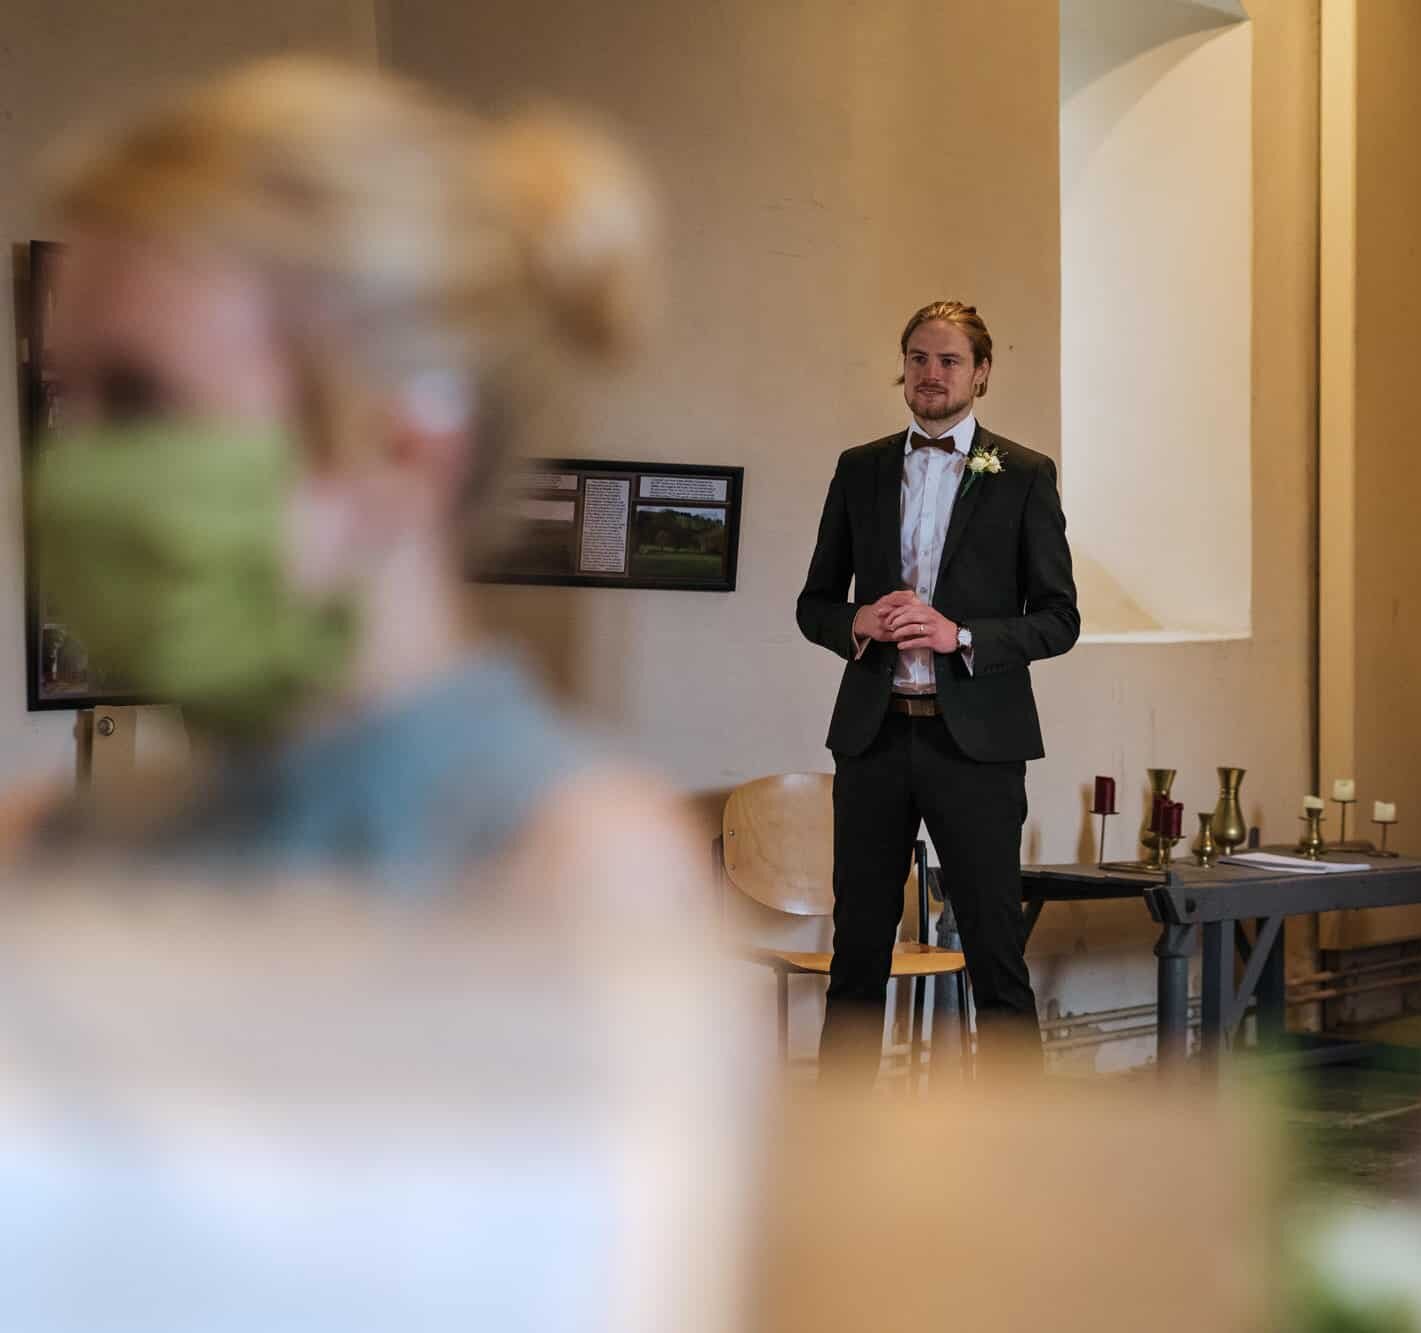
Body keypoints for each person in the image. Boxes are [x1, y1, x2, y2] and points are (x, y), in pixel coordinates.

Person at [10, 57, 696, 893]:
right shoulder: (53, 850)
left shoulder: (575, 871)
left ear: (400, 442)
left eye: (139, 399)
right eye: (64, 401)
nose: (70, 471)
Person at [796, 300, 1078, 1076]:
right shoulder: (861, 468)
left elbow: (1059, 619)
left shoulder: (1022, 475)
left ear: (981, 373)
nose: (930, 373)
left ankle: (1016, 1147)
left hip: (977, 748)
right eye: (918, 358)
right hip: (873, 737)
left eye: (948, 360)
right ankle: (842, 1142)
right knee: (858, 948)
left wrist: (962, 637)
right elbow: (813, 603)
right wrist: (858, 621)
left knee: (994, 947)